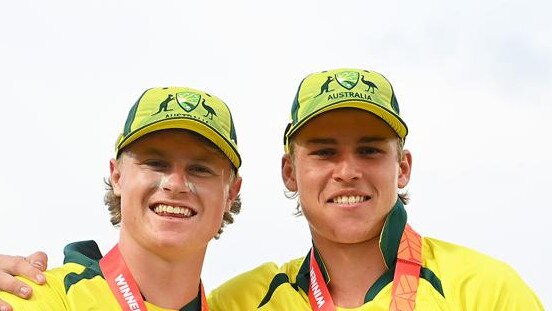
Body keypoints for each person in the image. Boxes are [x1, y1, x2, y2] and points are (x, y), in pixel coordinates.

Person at [0, 68, 544, 310]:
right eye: (325, 151)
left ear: (403, 167)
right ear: (289, 173)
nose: (348, 171)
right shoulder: (242, 302)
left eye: (371, 151)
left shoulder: (488, 291)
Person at [0, 86, 243, 310]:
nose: (176, 184)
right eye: (155, 163)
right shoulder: (44, 298)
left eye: (200, 169)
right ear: (117, 176)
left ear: (231, 192)